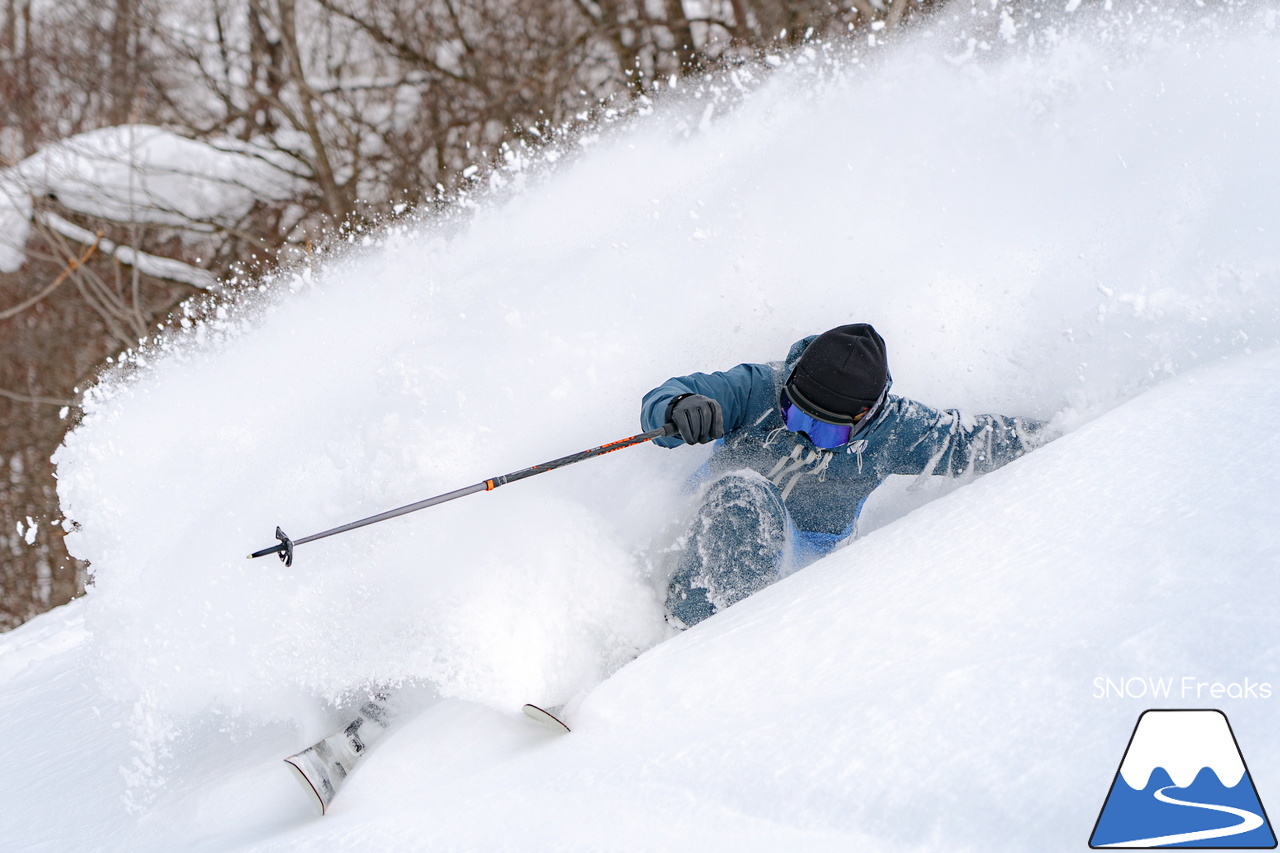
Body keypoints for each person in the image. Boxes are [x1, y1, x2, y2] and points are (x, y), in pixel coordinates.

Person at [642, 323, 1050, 627]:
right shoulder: (757, 388)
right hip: (701, 513)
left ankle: (686, 639)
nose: (802, 432)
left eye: (825, 429)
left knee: (751, 499)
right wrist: (677, 406)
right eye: (794, 414)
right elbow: (665, 398)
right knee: (743, 492)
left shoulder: (898, 430)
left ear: (864, 417)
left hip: (805, 548)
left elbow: (970, 441)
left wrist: (1061, 434)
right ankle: (654, 612)